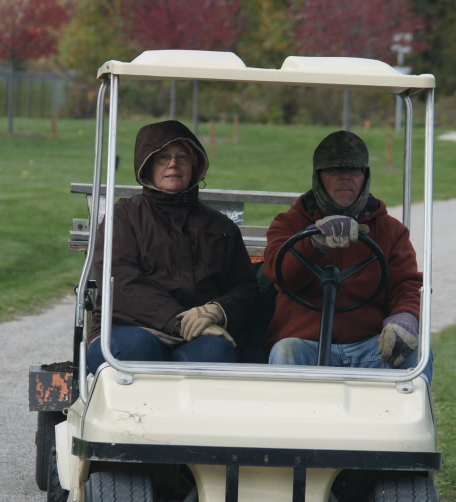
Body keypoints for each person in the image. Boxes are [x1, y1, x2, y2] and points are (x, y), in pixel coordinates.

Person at [86, 120, 257, 373]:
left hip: (198, 333)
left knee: (214, 352)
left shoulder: (221, 227)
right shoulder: (123, 217)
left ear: (195, 164)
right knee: (137, 349)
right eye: (163, 157)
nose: (173, 164)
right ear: (147, 165)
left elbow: (245, 288)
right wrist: (177, 321)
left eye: (183, 157)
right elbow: (121, 282)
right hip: (129, 328)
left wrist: (216, 311)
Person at [262, 130, 433, 384]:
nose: (345, 178)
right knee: (284, 351)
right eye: (334, 170)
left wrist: (405, 317)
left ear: (365, 177)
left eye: (354, 171)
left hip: (369, 347)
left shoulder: (390, 231)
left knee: (418, 355)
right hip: (304, 344)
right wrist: (313, 244)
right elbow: (279, 272)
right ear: (318, 177)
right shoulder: (289, 224)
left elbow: (406, 285)